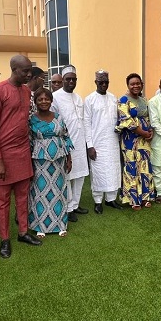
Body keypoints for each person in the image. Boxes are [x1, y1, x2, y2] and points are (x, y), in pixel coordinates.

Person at [0, 55, 42, 259]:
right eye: (25, 71)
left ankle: (23, 233)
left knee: (23, 196)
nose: (29, 74)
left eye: (30, 70)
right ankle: (4, 239)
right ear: (13, 69)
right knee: (2, 201)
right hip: (4, 156)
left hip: (23, 153)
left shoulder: (27, 91)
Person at [29, 88, 73, 237]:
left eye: (46, 99)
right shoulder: (32, 119)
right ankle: (40, 226)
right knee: (40, 192)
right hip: (40, 161)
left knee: (59, 191)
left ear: (51, 100)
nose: (44, 102)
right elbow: (29, 141)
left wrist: (69, 158)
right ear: (35, 102)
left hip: (59, 159)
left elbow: (66, 137)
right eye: (40, 99)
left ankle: (60, 224)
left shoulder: (59, 117)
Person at [51, 65, 89, 222]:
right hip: (66, 144)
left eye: (74, 79)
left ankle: (76, 204)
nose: (71, 81)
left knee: (79, 176)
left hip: (80, 143)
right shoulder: (56, 97)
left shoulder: (78, 98)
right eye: (68, 79)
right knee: (67, 176)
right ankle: (68, 207)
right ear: (63, 80)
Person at [84, 70, 122, 214]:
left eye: (106, 82)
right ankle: (98, 201)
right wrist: (90, 145)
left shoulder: (113, 98)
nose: (104, 85)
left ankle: (111, 199)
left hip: (112, 142)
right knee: (98, 171)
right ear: (96, 83)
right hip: (97, 143)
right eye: (101, 82)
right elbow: (86, 123)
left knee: (113, 170)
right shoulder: (89, 99)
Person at [116, 73, 156, 210]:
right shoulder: (123, 100)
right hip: (130, 139)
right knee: (131, 166)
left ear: (142, 84)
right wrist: (143, 132)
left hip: (144, 140)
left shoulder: (144, 100)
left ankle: (145, 197)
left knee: (144, 167)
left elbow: (149, 117)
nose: (136, 86)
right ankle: (134, 199)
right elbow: (126, 121)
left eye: (138, 83)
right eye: (132, 84)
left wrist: (150, 132)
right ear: (128, 85)